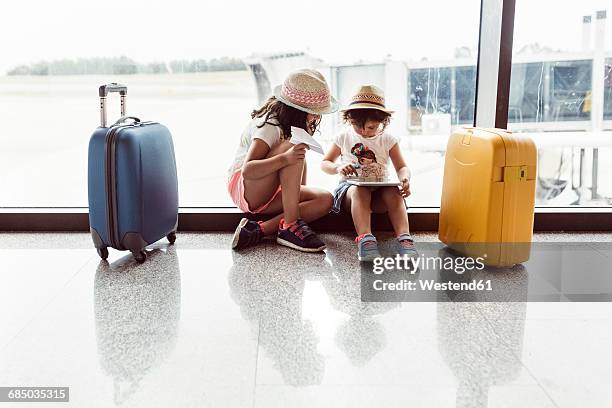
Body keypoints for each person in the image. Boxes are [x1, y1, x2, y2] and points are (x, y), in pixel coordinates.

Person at [228, 69, 337, 252]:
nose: (317, 117)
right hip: (246, 188)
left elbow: (298, 162)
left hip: (266, 187)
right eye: (314, 112)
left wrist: (296, 196)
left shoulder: (292, 124)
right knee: (292, 148)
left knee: (326, 200)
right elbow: (249, 170)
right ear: (297, 111)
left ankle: (258, 230)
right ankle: (290, 225)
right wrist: (285, 158)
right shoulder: (270, 126)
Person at [321, 85, 418, 261]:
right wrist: (337, 168)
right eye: (358, 127)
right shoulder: (343, 137)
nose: (365, 132)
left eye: (371, 127)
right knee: (360, 191)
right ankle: (365, 240)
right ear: (349, 120)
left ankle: (404, 238)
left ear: (383, 122)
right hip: (351, 192)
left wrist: (404, 178)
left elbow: (402, 167)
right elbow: (325, 163)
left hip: (380, 191)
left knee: (394, 193)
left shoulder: (388, 140)